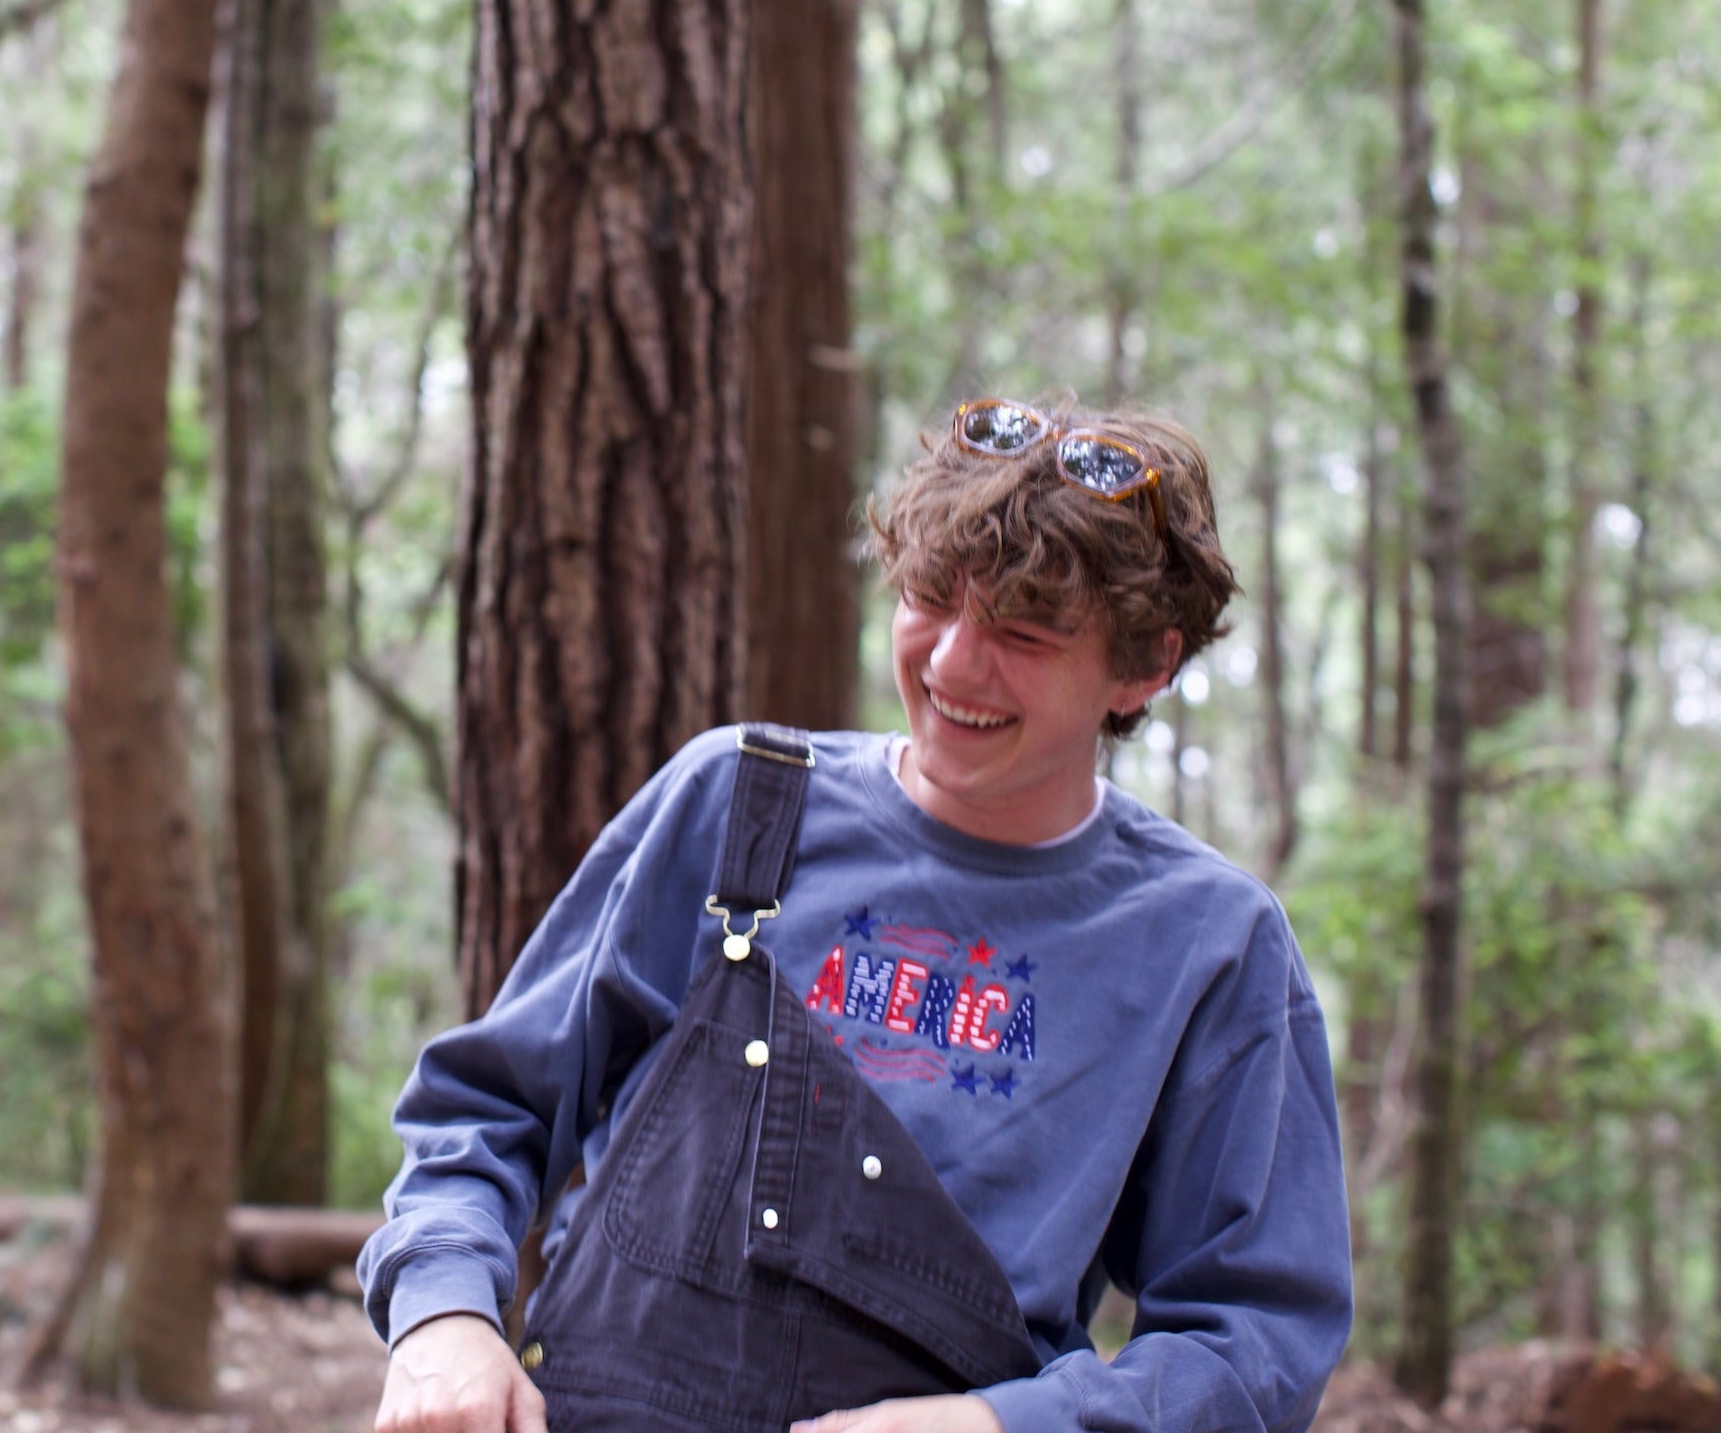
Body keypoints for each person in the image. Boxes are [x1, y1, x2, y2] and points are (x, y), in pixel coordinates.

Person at [361, 396, 1352, 1433]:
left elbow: (1253, 1343)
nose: (950, 663)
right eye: (930, 596)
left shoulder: (1206, 944)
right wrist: (441, 1318)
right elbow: (483, 1109)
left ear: (1144, 663)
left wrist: (995, 1425)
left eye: (1020, 632)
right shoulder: (736, 804)